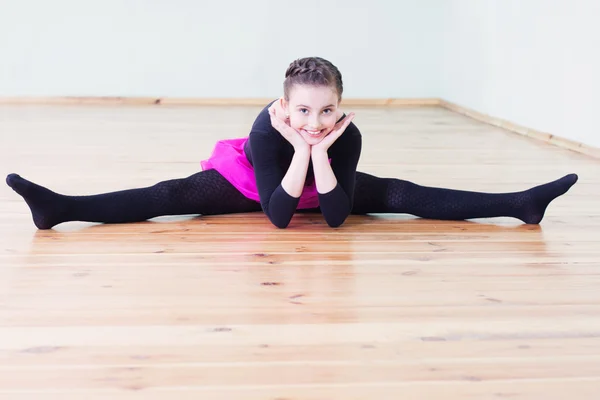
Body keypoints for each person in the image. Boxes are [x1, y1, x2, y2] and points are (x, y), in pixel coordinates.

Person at [5, 57, 578, 230]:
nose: (313, 119)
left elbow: (332, 217)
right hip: (254, 185)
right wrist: (299, 148)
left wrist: (320, 151)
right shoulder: (264, 129)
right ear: (283, 106)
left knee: (401, 193)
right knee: (170, 193)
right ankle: (60, 208)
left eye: (325, 110)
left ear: (340, 106)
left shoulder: (343, 136)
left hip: (322, 180)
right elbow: (277, 215)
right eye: (301, 111)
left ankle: (518, 204)